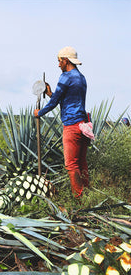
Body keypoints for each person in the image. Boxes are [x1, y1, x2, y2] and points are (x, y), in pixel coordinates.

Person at [34, 46, 89, 198]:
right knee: (81, 163)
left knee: (71, 165)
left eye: (59, 61)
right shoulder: (81, 78)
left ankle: (78, 199)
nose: (58, 65)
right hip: (83, 125)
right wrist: (51, 93)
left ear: (66, 60)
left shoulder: (66, 77)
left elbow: (53, 104)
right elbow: (65, 99)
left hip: (71, 125)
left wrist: (39, 113)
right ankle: (88, 195)